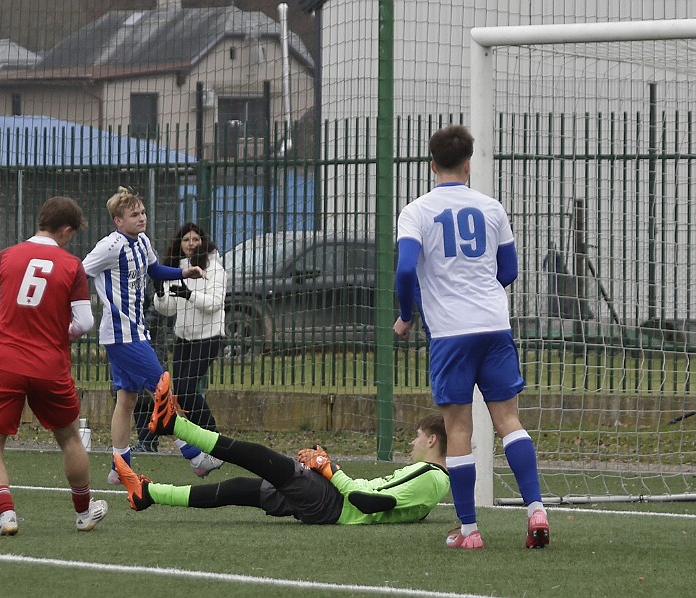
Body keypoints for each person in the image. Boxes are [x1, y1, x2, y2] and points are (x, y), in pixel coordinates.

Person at [392, 125, 549, 549]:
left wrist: (406, 316)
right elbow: (510, 270)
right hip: (495, 325)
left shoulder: (416, 211)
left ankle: (469, 532)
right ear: (467, 163)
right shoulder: (491, 207)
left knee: (458, 427)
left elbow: (406, 270)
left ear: (431, 165)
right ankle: (536, 511)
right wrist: (482, 292)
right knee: (509, 421)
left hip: (451, 333)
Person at [113, 372, 450, 525]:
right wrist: (328, 467)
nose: (413, 441)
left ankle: (174, 425)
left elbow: (367, 501)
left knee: (257, 456)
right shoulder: (433, 480)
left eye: (418, 436)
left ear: (432, 440)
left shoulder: (432, 477)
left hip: (332, 505)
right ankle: (150, 493)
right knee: (240, 489)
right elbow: (373, 498)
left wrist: (328, 469)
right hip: (331, 504)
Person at [0, 196, 108, 536]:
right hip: (49, 364)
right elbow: (84, 322)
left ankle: (7, 515)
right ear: (67, 229)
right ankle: (84, 514)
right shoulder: (72, 265)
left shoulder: (7, 255)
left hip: (6, 362)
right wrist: (59, 329)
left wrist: (9, 310)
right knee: (70, 438)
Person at [82, 186, 223, 484]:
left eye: (143, 212)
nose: (142, 218)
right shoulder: (110, 246)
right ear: (118, 221)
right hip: (122, 335)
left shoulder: (142, 242)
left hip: (135, 332)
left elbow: (155, 270)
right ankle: (196, 457)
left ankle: (119, 466)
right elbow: (80, 271)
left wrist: (185, 273)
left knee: (127, 400)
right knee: (162, 390)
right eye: (134, 215)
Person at [152, 222, 224, 433]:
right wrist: (160, 294)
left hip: (209, 336)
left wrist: (190, 295)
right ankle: (200, 437)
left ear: (203, 241)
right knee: (180, 394)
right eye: (186, 240)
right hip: (183, 337)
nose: (191, 244)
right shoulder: (177, 268)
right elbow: (169, 309)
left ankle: (212, 433)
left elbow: (215, 303)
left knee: (187, 389)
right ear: (179, 243)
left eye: (195, 239)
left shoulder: (215, 268)